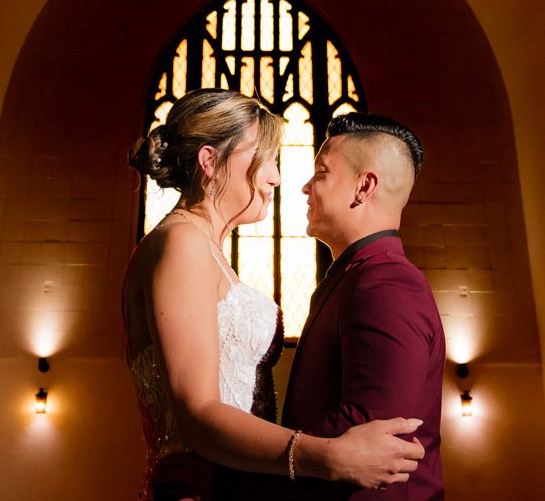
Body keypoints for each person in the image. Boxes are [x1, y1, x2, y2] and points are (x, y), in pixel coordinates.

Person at [123, 89, 425, 500]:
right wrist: (329, 456)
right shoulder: (183, 243)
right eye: (263, 159)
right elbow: (198, 413)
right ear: (210, 162)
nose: (276, 177)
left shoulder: (204, 249)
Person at [216, 112, 445, 500]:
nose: (305, 187)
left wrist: (229, 479)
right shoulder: (354, 279)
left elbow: (373, 441)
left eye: (321, 173)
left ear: (364, 186)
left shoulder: (388, 285)